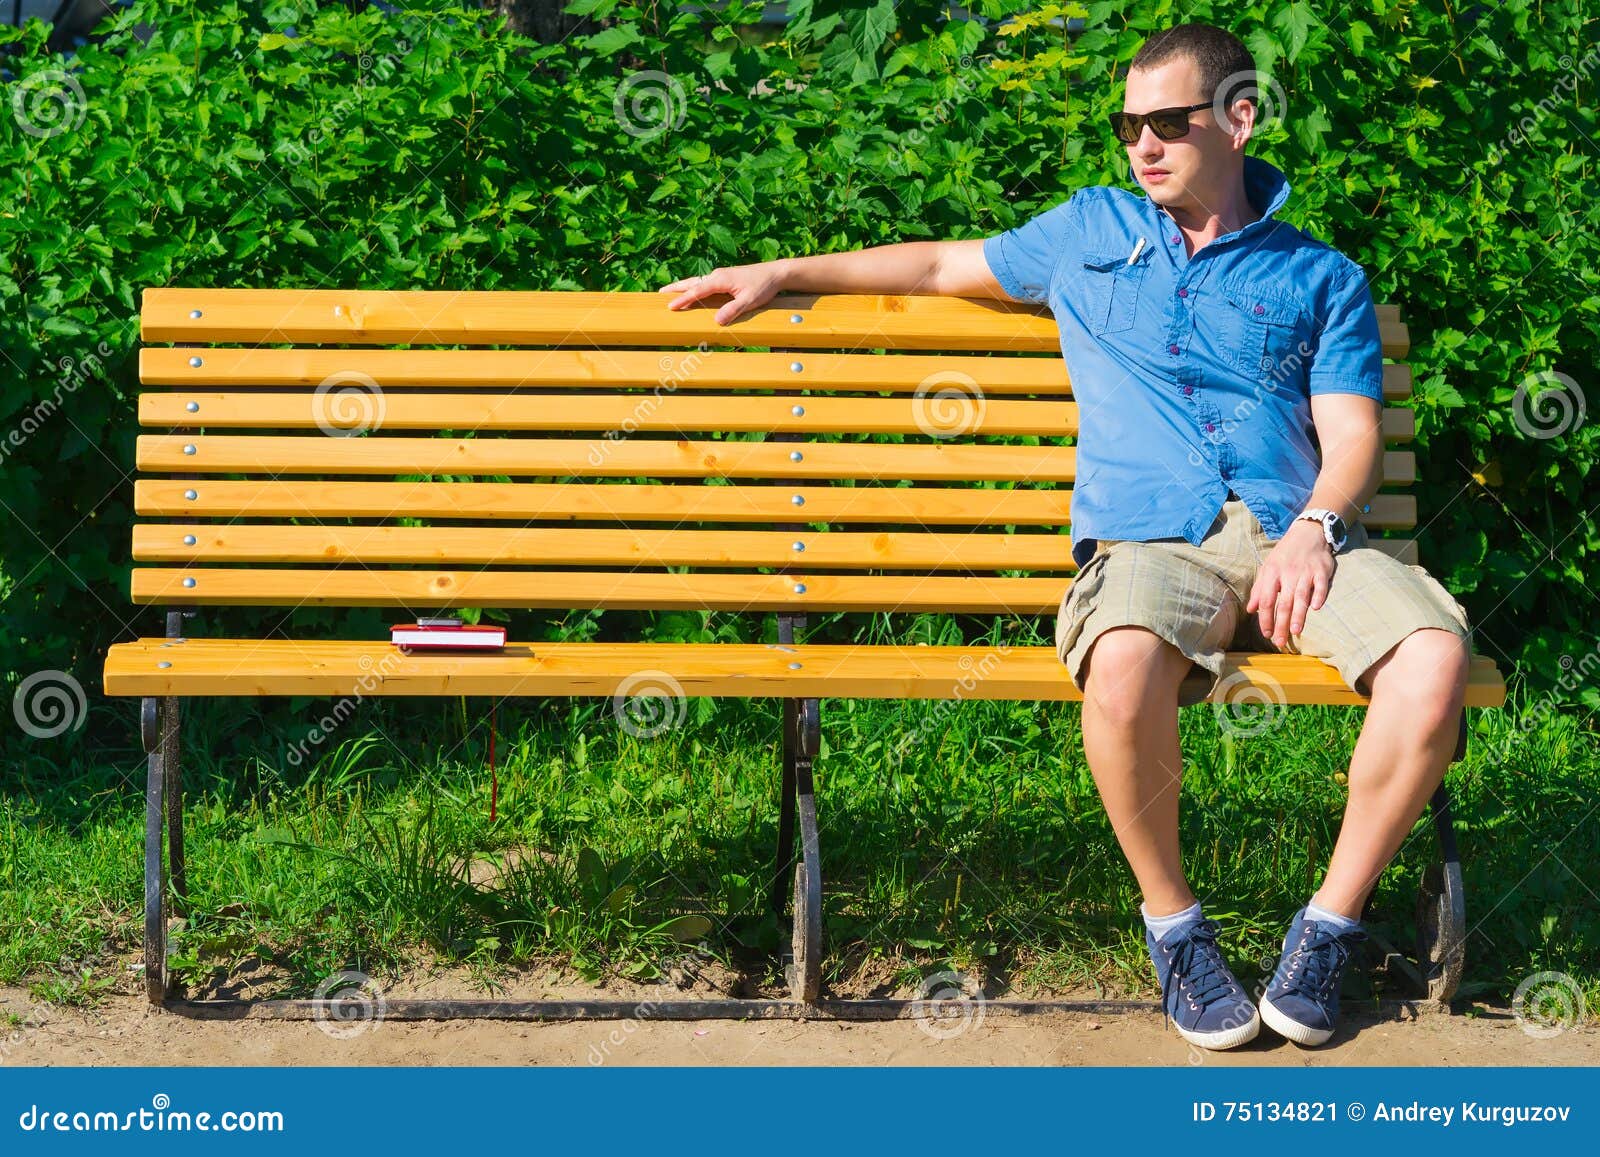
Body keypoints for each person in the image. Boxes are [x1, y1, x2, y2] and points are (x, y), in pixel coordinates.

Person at [658, 22, 1473, 1051]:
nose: (1142, 146)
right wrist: (785, 268)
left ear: (1238, 118)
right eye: (1129, 125)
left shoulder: (1319, 277)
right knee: (1123, 661)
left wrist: (1316, 527)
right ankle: (1176, 928)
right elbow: (939, 265)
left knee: (1433, 655)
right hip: (1150, 544)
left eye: (1167, 124)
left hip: (1296, 535)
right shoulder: (1088, 231)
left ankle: (1328, 926)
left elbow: (1350, 436)